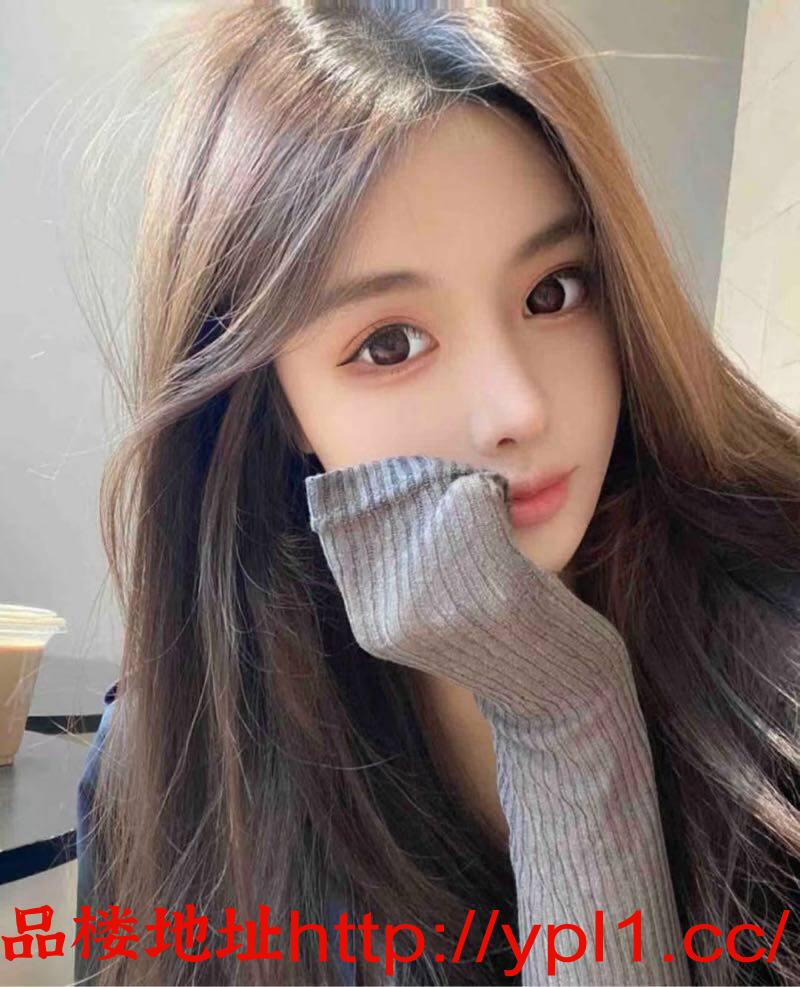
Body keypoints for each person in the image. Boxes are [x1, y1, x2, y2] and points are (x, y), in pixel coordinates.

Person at [75, 2, 800, 985]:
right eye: (389, 344)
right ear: (276, 403)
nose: (516, 407)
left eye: (553, 292)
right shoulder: (167, 767)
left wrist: (568, 718)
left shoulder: (776, 684)